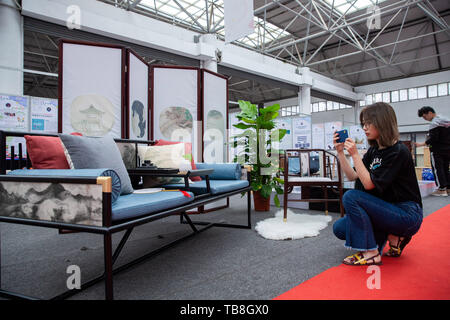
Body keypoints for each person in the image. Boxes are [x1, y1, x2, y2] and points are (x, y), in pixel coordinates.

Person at [333, 102, 423, 266]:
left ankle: (371, 252)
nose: (365, 128)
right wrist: (340, 152)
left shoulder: (398, 151)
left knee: (351, 196)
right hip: (387, 210)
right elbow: (353, 176)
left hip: (407, 213)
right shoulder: (374, 151)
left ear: (382, 123)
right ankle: (393, 236)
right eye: (364, 124)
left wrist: (355, 155)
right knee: (339, 228)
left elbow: (368, 184)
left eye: (369, 123)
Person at [415, 106, 450, 197]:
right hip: (448, 149)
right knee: (446, 168)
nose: (425, 119)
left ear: (430, 113)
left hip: (437, 151)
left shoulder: (434, 123)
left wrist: (422, 144)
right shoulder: (446, 120)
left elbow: (434, 138)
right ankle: (448, 188)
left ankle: (441, 189)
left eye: (424, 117)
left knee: (438, 169)